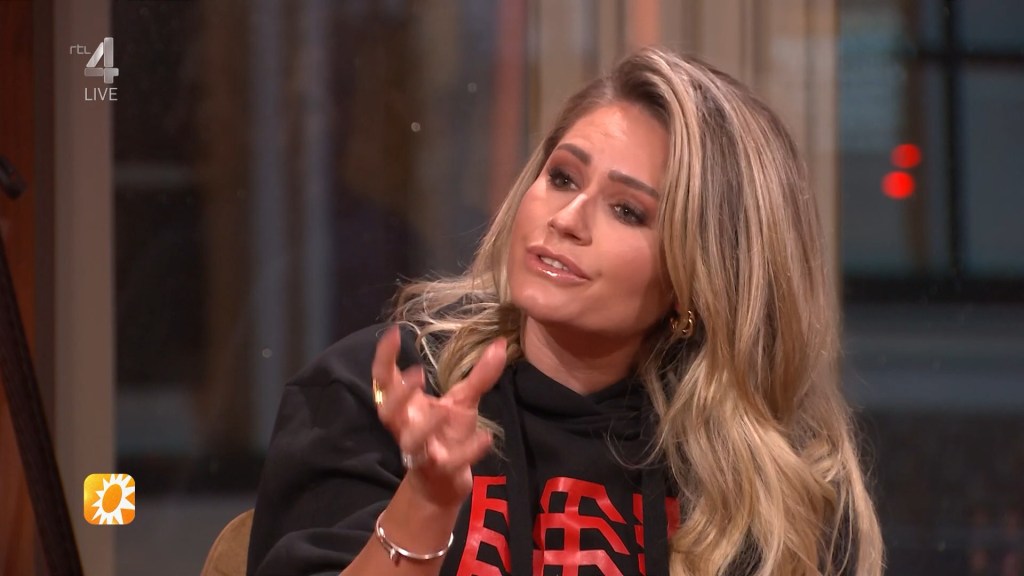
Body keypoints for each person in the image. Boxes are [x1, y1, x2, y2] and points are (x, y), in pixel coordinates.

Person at [246, 47, 884, 576]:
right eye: (563, 178)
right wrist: (427, 501)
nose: (568, 219)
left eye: (628, 211)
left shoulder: (770, 485)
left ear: (697, 278)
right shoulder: (384, 394)